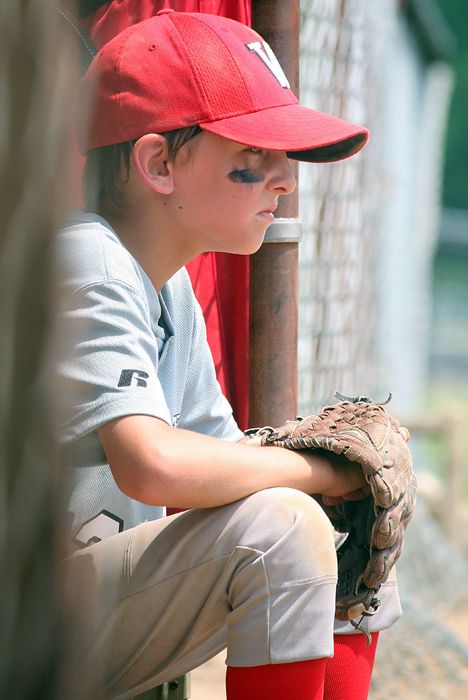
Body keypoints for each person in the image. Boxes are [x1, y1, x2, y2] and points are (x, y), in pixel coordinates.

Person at [56, 9, 402, 699]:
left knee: (337, 516)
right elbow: (152, 465)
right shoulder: (86, 257)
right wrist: (315, 470)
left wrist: (337, 481)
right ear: (157, 162)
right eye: (252, 153)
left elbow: (223, 462)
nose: (285, 178)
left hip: (66, 617)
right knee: (287, 524)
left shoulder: (168, 285)